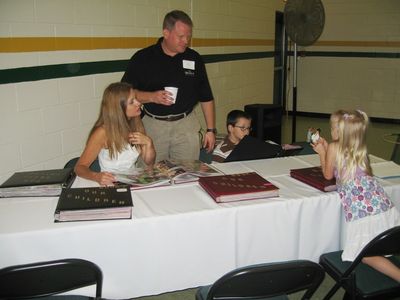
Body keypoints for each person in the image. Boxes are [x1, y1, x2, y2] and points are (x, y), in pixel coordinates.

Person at [313, 109, 400, 282]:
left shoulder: (334, 146)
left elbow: (328, 174)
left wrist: (322, 153)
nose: (331, 132)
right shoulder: (360, 147)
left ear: (339, 131)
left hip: (362, 209)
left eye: (332, 128)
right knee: (380, 242)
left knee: (365, 254)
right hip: (380, 202)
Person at [121, 10, 216, 162]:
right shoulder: (143, 58)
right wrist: (152, 97)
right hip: (153, 126)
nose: (186, 41)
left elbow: (206, 96)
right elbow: (124, 94)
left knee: (187, 173)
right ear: (166, 32)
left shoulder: (194, 58)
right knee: (151, 174)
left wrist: (211, 130)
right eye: (181, 36)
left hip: (186, 125)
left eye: (188, 36)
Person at [75, 82, 156, 186]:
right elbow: (79, 167)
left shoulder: (135, 122)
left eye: (136, 98)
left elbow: (149, 163)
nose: (138, 103)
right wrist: (96, 176)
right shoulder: (103, 132)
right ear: (119, 108)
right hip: (110, 183)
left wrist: (149, 144)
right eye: (132, 102)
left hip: (132, 181)